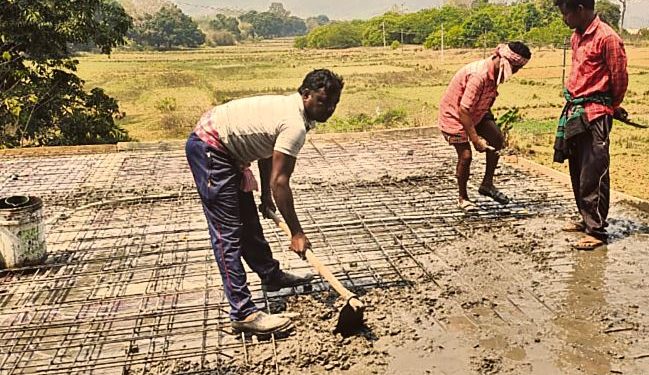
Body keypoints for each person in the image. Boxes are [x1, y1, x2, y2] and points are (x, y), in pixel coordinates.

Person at [185, 69, 344, 334]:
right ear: (305, 95)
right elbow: (280, 181)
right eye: (322, 101)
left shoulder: (290, 113)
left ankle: (271, 276)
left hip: (224, 148)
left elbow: (267, 152)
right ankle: (243, 314)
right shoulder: (293, 123)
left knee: (248, 221)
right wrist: (297, 233)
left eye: (333, 104)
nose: (329, 109)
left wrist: (265, 197)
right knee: (228, 235)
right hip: (211, 149)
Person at [553, 0, 628, 250]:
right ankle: (586, 219)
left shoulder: (608, 38)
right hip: (576, 111)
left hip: (595, 113)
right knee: (577, 169)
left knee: (593, 171)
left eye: (566, 13)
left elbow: (619, 78)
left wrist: (610, 105)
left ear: (580, 10)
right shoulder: (577, 37)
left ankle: (597, 231)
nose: (564, 19)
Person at [438, 42, 532, 212]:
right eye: (514, 67)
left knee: (496, 138)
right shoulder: (479, 75)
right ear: (501, 59)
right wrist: (475, 140)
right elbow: (464, 110)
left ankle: (487, 184)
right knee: (465, 156)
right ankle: (463, 197)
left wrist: (487, 125)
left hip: (477, 112)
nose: (515, 72)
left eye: (518, 69)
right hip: (455, 115)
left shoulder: (496, 73)